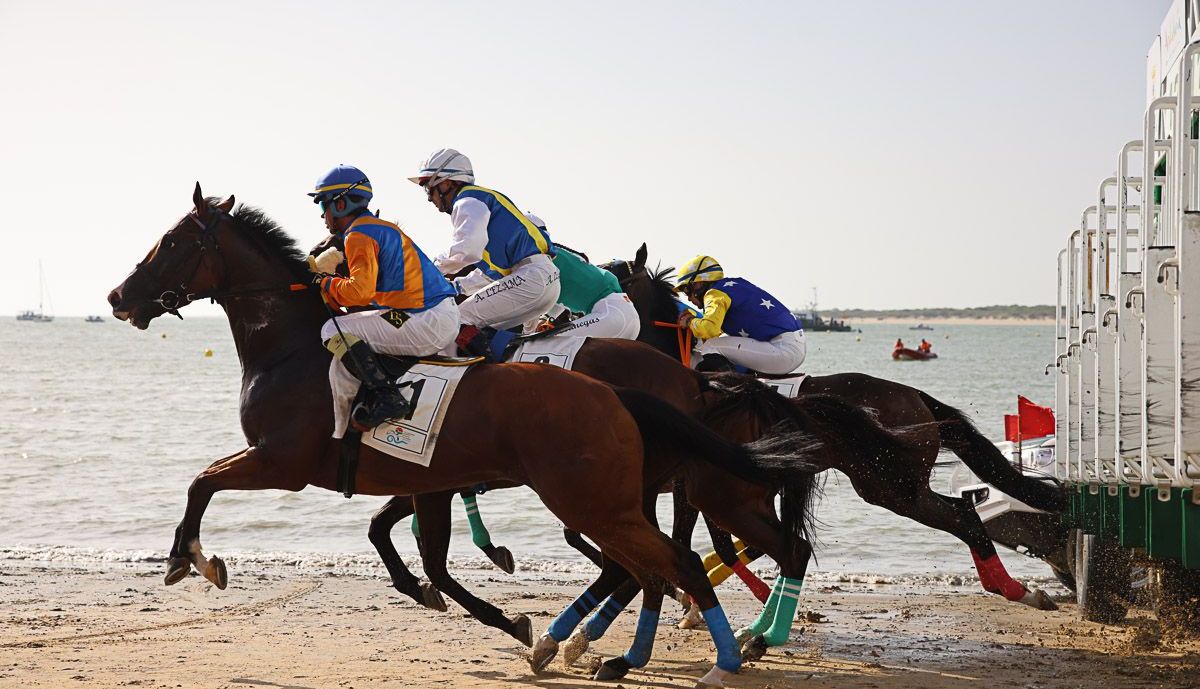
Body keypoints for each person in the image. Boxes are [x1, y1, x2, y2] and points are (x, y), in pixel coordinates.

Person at [308, 164, 459, 438]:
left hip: (426, 321)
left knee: (331, 330)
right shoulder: (381, 228)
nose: (322, 216)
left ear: (340, 203)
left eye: (323, 205)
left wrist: (323, 282)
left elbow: (359, 293)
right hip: (437, 316)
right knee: (352, 323)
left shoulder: (358, 235)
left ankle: (387, 396)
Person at [409, 148, 560, 358]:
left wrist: (425, 270)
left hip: (530, 279)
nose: (429, 199)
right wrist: (455, 286)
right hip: (543, 280)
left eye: (429, 189)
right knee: (483, 328)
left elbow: (466, 251)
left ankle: (479, 378)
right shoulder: (482, 199)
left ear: (446, 183)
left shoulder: (467, 201)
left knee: (455, 320)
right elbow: (491, 274)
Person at [674, 255, 805, 375]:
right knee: (715, 344)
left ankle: (732, 387)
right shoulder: (733, 285)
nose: (689, 299)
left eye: (687, 292)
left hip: (783, 350)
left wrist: (690, 321)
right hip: (790, 346)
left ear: (697, 284)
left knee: (711, 346)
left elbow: (709, 329)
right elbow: (715, 332)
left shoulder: (714, 294)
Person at [527, 214, 640, 340]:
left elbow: (532, 306)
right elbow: (553, 304)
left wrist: (526, 335)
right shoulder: (556, 252)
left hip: (609, 314)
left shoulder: (536, 258)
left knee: (537, 344)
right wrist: (545, 320)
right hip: (629, 316)